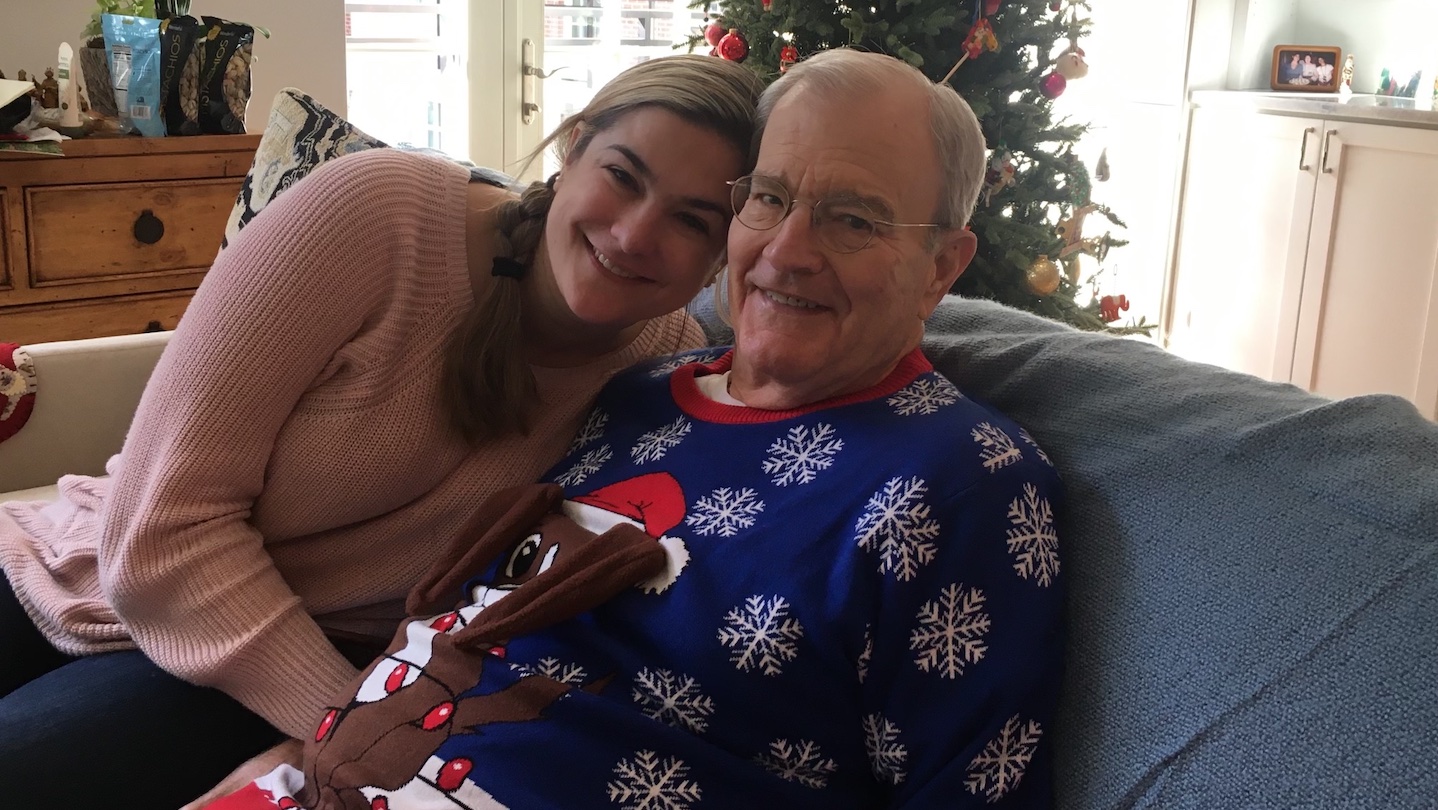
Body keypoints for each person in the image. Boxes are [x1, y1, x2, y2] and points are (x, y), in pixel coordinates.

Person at [203, 48, 1063, 809]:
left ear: (942, 265)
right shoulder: (640, 392)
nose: (787, 251)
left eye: (854, 219)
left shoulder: (960, 482)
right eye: (769, 198)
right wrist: (323, 746)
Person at [0, 54, 763, 808]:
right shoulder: (374, 215)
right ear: (572, 148)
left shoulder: (669, 373)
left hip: (271, 666)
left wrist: (364, 727)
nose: (633, 234)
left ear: (719, 259)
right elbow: (160, 532)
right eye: (623, 176)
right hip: (86, 571)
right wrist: (353, 725)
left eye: (691, 220)